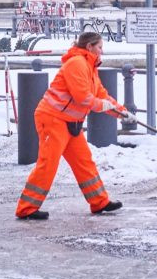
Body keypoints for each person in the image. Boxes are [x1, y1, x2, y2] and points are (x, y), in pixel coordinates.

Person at [15, 32, 130, 221]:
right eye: (100, 47)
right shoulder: (76, 64)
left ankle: (99, 202)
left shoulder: (90, 67)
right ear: (89, 47)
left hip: (71, 122)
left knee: (84, 162)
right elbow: (82, 97)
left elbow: (101, 95)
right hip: (53, 119)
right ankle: (26, 208)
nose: (102, 51)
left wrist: (122, 112)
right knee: (48, 164)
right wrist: (103, 106)